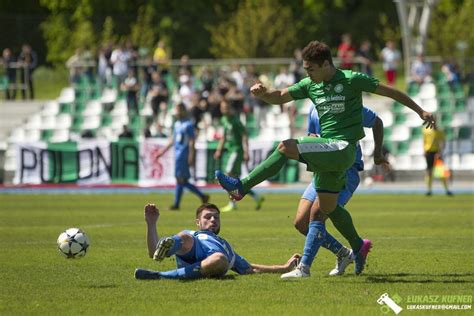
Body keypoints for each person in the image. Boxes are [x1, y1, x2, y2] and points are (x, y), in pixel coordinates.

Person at [215, 40, 435, 278]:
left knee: (285, 147)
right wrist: (263, 94)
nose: (307, 73)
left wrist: (420, 111)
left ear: (326, 64)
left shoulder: (351, 79)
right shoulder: (311, 85)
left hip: (343, 149)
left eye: (310, 69)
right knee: (325, 210)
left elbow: (390, 92)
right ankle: (357, 248)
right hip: (329, 154)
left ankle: (243, 186)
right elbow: (279, 95)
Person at [288, 106, 388, 277]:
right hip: (323, 170)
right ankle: (348, 252)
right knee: (300, 223)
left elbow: (377, 121)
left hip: (346, 169)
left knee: (318, 213)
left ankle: (303, 267)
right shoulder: (313, 108)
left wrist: (377, 152)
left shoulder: (347, 102)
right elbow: (312, 135)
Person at [135, 203, 301, 280]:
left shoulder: (226, 246)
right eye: (207, 217)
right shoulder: (194, 234)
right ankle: (168, 244)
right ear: (198, 222)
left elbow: (250, 269)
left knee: (220, 259)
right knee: (185, 237)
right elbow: (152, 253)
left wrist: (284, 267)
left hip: (214, 261)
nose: (213, 220)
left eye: (216, 217)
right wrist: (151, 224)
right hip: (191, 249)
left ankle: (161, 276)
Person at [156, 102, 210, 210]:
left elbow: (191, 141)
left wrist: (191, 155)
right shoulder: (177, 124)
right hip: (177, 155)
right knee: (180, 179)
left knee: (181, 180)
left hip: (183, 154)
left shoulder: (188, 125)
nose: (177, 112)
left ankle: (194, 198)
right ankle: (198, 197)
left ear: (184, 111)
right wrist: (163, 151)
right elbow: (173, 140)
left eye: (179, 110)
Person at [214, 100, 264, 212]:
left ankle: (232, 204)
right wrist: (219, 150)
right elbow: (224, 137)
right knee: (235, 181)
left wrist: (246, 151)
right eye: (222, 107)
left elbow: (244, 135)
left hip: (237, 151)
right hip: (230, 151)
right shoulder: (224, 120)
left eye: (226, 107)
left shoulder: (236, 121)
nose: (224, 110)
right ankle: (256, 197)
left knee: (227, 176)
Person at [423, 122, 453, 196]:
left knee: (441, 172)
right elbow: (424, 141)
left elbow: (443, 143)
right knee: (429, 172)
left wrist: (439, 152)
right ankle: (429, 190)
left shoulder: (439, 131)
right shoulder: (426, 131)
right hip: (428, 153)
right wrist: (424, 151)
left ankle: (447, 190)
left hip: (437, 153)